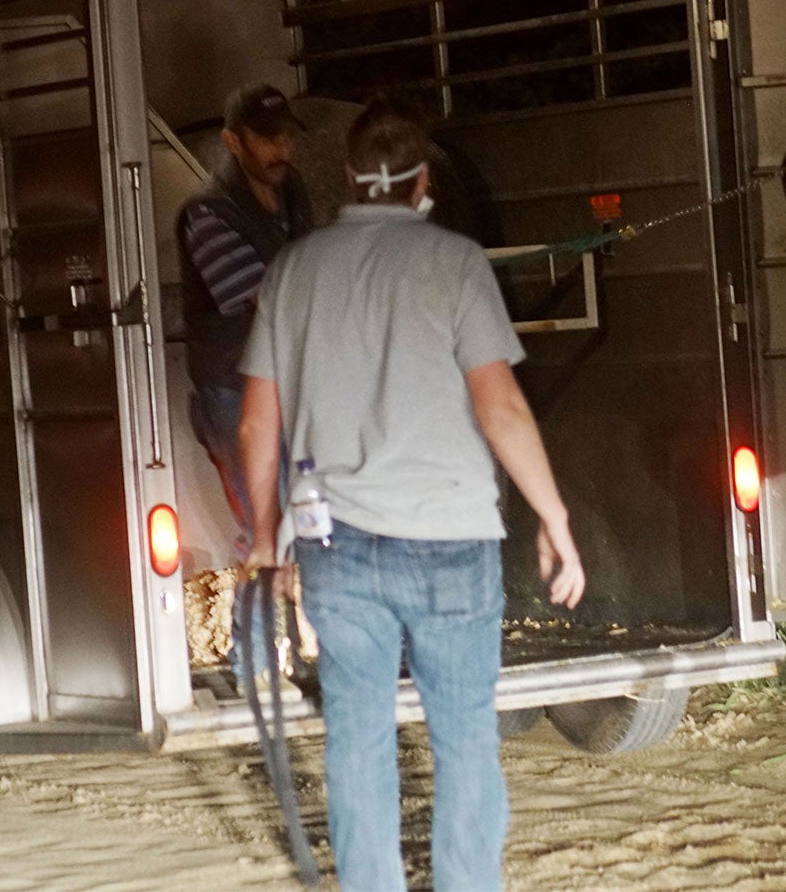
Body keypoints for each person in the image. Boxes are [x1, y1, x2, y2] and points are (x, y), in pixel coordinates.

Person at [238, 95, 585, 892]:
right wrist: (553, 517)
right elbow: (500, 407)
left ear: (350, 180)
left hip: (336, 548)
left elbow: (259, 426)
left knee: (357, 740)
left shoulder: (293, 270)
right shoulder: (456, 262)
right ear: (423, 180)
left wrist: (264, 542)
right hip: (449, 543)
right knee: (464, 739)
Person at [176, 81, 314, 689]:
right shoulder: (206, 214)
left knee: (291, 517)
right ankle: (253, 665)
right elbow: (265, 295)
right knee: (264, 519)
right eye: (267, 137)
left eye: (286, 135)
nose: (281, 148)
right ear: (234, 142)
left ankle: (281, 659)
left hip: (286, 385)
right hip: (234, 391)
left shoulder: (295, 201)